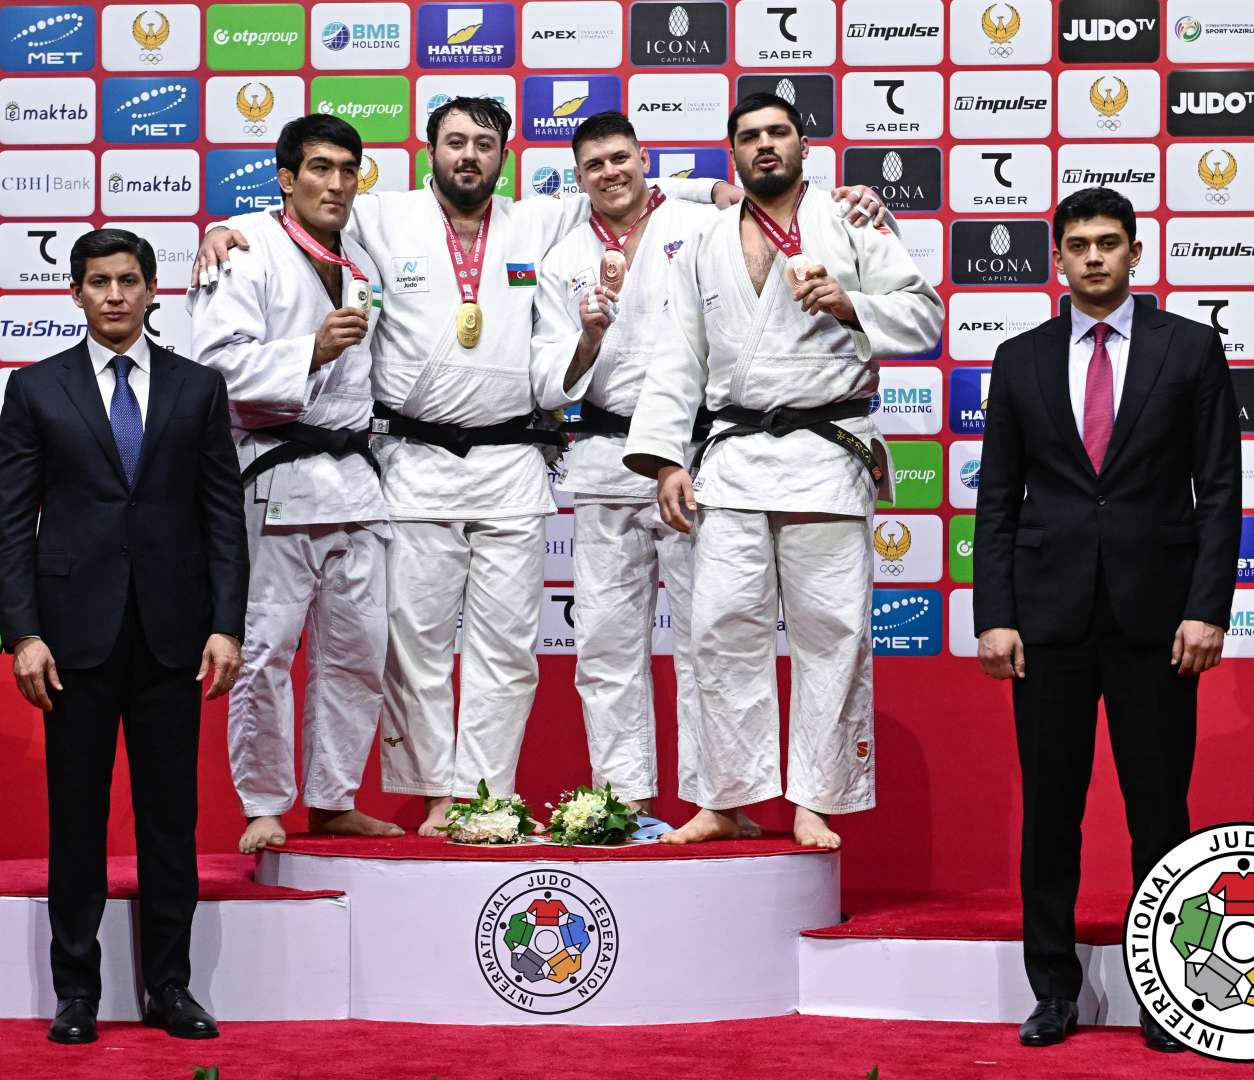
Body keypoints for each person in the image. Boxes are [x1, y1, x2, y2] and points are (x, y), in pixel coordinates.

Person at [195, 98, 733, 836]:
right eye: (454, 142)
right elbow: (302, 212)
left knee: (506, 651)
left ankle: (488, 795)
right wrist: (225, 228)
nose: (468, 155)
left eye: (484, 143)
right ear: (430, 152)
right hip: (412, 463)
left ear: (503, 157)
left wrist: (715, 189)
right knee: (414, 647)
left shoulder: (536, 220)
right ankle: (435, 794)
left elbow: (623, 189)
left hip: (511, 463)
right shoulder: (381, 215)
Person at [532, 110, 889, 826]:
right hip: (612, 458)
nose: (610, 172)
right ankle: (628, 802)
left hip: (704, 457)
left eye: (622, 158)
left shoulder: (702, 223)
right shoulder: (562, 253)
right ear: (576, 178)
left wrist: (857, 206)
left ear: (645, 159)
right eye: (594, 164)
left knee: (724, 637)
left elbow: (742, 202)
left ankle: (736, 798)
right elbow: (554, 382)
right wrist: (590, 342)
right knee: (614, 646)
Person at [623, 93, 944, 848]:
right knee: (718, 630)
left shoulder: (851, 218)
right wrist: (666, 458)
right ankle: (725, 798)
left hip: (826, 453)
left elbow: (925, 316)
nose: (764, 145)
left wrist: (852, 305)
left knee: (832, 633)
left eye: (777, 133)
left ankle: (816, 799)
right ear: (732, 152)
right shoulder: (705, 240)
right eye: (749, 136)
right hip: (733, 457)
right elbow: (679, 353)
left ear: (803, 144)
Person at [973, 186, 1241, 1051]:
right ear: (1056, 257)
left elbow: (1219, 491)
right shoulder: (1018, 358)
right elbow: (996, 501)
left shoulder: (1189, 348)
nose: (1093, 256)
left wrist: (1206, 609)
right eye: (1078, 244)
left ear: (1134, 252)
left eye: (1108, 242)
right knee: (1050, 814)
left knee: (1158, 813)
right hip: (1045, 620)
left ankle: (1170, 992)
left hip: (1156, 620)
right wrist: (994, 615)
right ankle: (1052, 992)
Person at [0, 228, 248, 1044]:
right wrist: (23, 634)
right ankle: (76, 993)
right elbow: (10, 522)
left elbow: (222, 517)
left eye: (128, 280)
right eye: (98, 281)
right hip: (72, 643)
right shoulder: (36, 389)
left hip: (174, 638)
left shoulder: (198, 388)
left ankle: (169, 987)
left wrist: (226, 624)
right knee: (77, 819)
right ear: (75, 293)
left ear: (151, 290)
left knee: (170, 820)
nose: (113, 295)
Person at [189, 114, 403, 854]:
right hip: (276, 476)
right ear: (286, 179)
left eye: (348, 170)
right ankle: (264, 803)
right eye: (319, 168)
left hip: (356, 481)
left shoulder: (363, 254)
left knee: (357, 653)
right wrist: (308, 351)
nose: (336, 183)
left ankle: (334, 799)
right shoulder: (245, 250)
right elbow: (213, 369)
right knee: (265, 652)